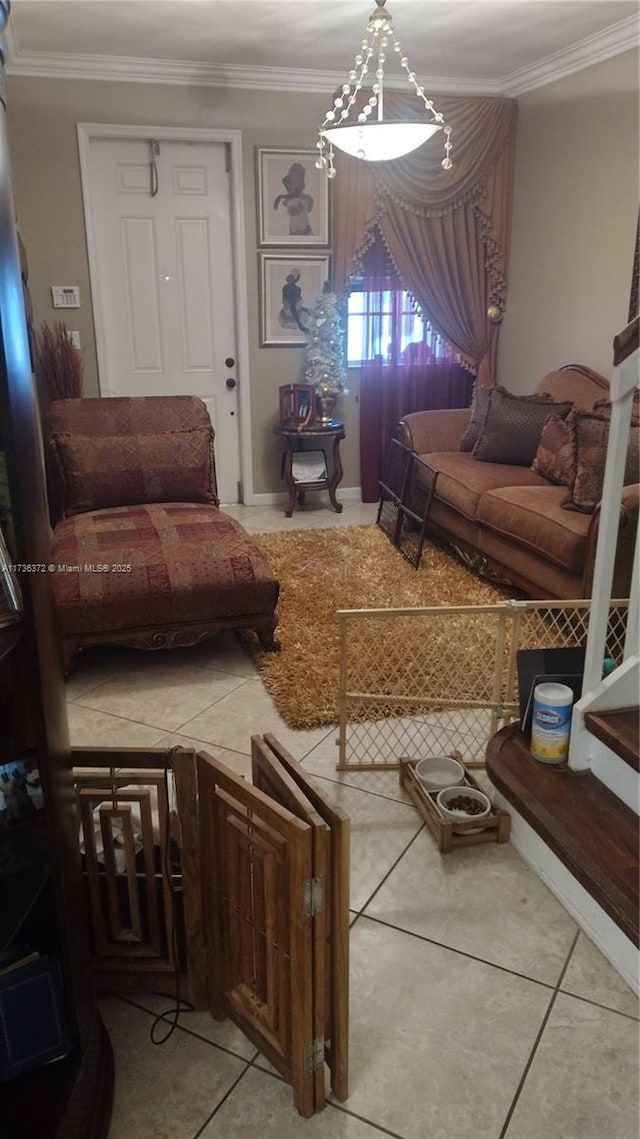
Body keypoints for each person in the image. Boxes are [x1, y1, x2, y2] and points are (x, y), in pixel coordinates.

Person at [273, 162, 314, 236]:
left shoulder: (307, 199)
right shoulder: (287, 201)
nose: (291, 187)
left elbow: (309, 208)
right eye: (291, 183)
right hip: (294, 233)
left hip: (305, 232)